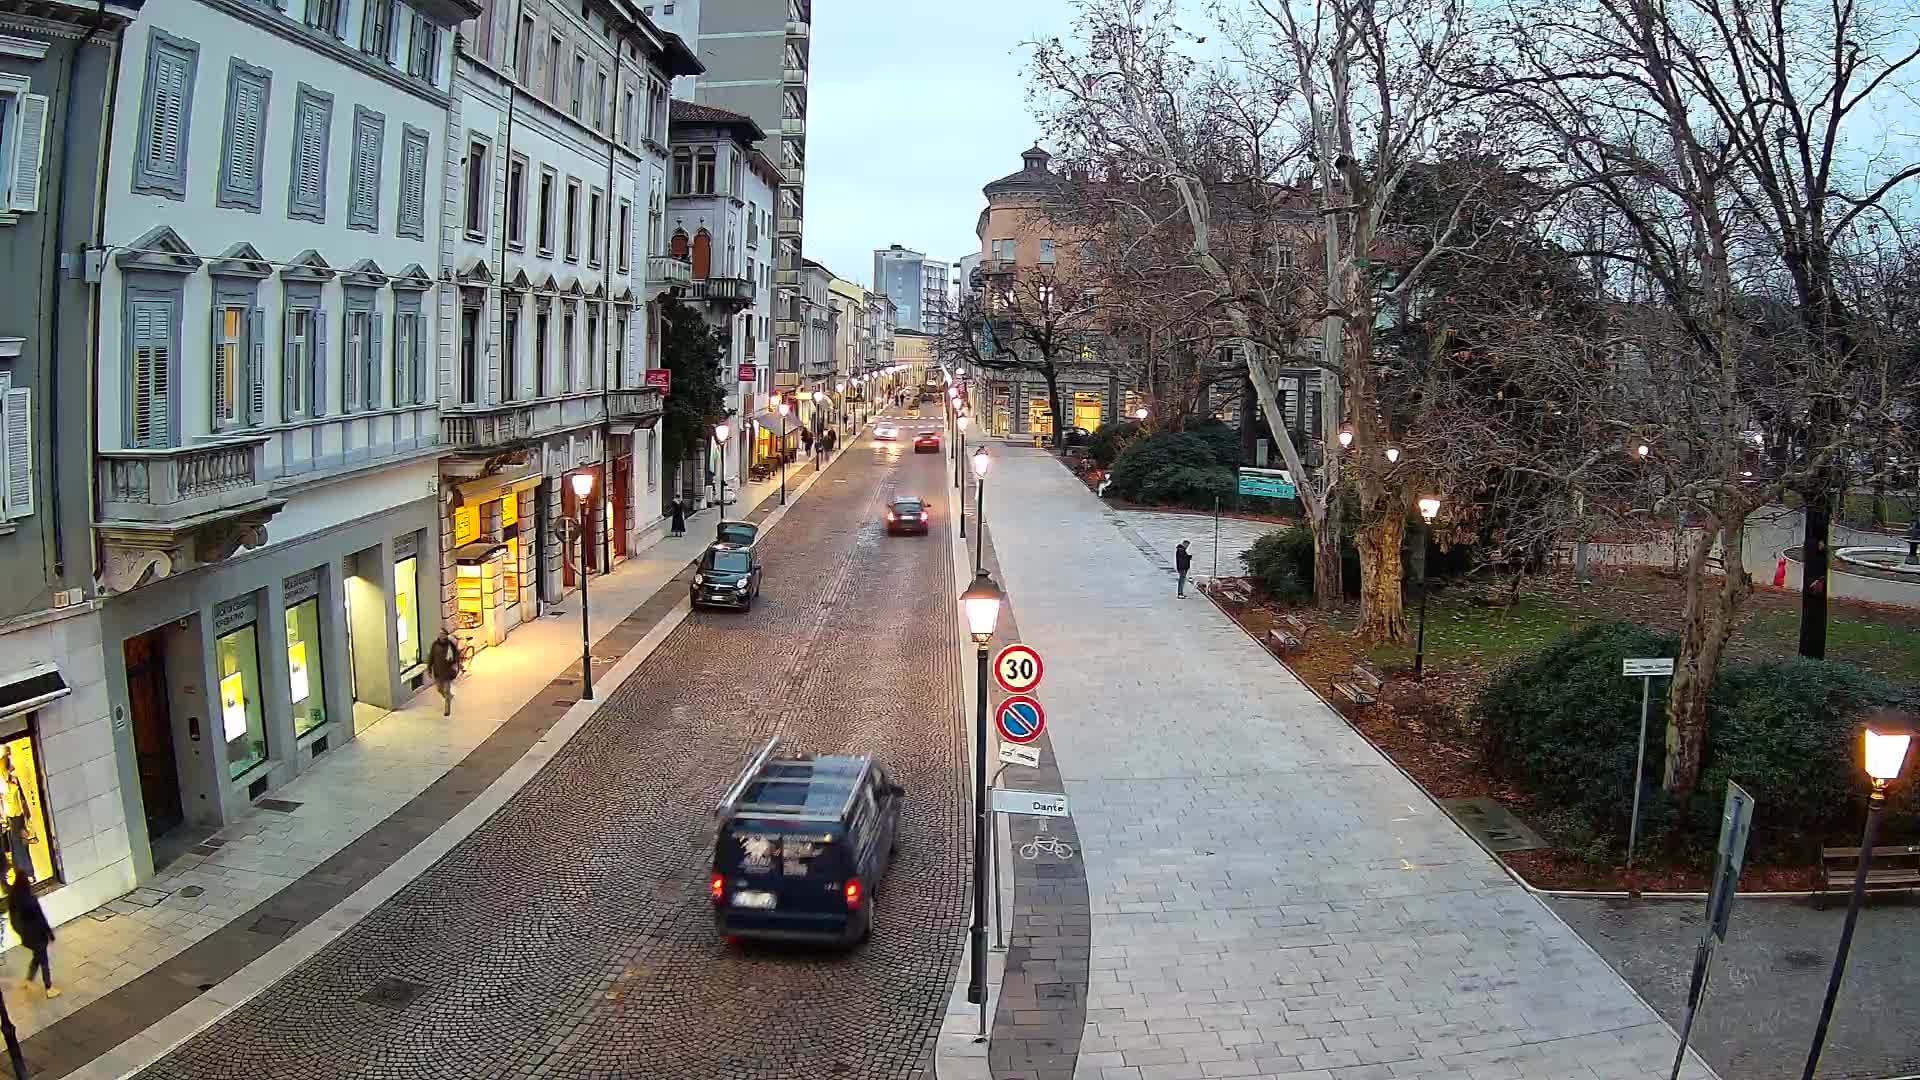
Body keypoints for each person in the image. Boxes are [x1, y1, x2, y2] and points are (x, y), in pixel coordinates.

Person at [9, 871, 56, 998]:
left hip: (27, 937)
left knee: (37, 957)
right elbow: (41, 919)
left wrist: (21, 932)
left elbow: (13, 920)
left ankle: (28, 980)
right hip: (38, 935)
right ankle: (49, 988)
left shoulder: (13, 899)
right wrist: (49, 933)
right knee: (44, 960)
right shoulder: (31, 900)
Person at [427, 630, 461, 716]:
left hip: (447, 672)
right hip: (438, 671)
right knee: (439, 689)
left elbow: (456, 655)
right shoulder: (435, 645)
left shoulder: (450, 645)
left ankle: (447, 710)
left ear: (446, 635)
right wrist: (429, 669)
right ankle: (448, 697)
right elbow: (431, 657)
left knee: (446, 690)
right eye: (440, 634)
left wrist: (456, 664)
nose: (441, 635)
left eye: (442, 634)